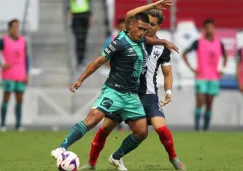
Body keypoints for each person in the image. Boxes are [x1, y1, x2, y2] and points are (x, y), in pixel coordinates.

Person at [79, 9, 186, 171]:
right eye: (147, 24)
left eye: (153, 25)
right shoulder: (133, 40)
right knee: (105, 128)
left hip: (149, 94)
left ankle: (174, 158)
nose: (148, 28)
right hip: (126, 93)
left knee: (161, 129)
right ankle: (91, 164)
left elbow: (167, 73)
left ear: (158, 27)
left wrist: (169, 92)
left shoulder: (162, 48)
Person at [182, 19, 227, 131]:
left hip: (213, 77)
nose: (210, 30)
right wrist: (192, 69)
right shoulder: (198, 42)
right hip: (201, 77)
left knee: (210, 103)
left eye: (212, 27)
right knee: (200, 101)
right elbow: (184, 54)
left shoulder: (219, 43)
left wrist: (222, 69)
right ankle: (197, 128)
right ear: (204, 29)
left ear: (214, 28)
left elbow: (225, 56)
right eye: (208, 27)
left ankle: (206, 128)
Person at [0, 19, 29, 132]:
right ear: (9, 28)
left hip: (20, 74)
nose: (16, 29)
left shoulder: (23, 41)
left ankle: (18, 124)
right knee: (6, 98)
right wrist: (2, 63)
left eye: (17, 27)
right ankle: (3, 124)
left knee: (19, 99)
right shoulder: (3, 41)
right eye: (14, 27)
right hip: (8, 74)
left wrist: (27, 73)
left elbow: (26, 57)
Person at [68, 0, 92, 66]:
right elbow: (69, 5)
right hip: (76, 16)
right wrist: (69, 19)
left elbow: (90, 4)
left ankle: (82, 59)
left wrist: (90, 17)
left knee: (84, 39)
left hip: (85, 15)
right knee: (79, 38)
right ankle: (79, 59)